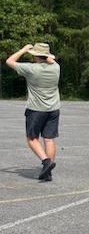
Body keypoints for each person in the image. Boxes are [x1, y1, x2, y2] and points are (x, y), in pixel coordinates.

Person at [6, 43, 60, 181]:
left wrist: (24, 50)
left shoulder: (31, 69)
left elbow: (10, 61)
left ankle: (46, 161)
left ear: (35, 56)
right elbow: (50, 60)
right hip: (53, 109)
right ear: (47, 55)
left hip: (36, 110)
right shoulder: (56, 68)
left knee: (32, 138)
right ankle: (49, 171)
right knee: (49, 139)